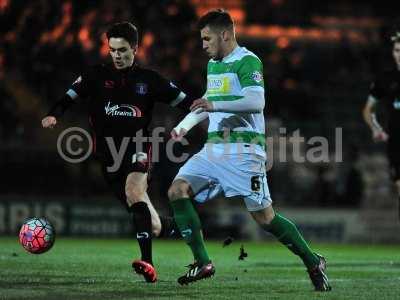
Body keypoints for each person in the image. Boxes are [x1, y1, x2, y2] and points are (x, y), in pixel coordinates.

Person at [167, 9, 332, 291]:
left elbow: (256, 101)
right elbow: (208, 100)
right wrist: (183, 126)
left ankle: (312, 260)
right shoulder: (213, 65)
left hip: (244, 149)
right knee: (177, 190)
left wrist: (214, 105)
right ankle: (203, 261)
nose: (203, 45)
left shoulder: (247, 60)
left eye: (207, 39)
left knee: (264, 218)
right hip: (213, 148)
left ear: (226, 35)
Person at [41, 22, 194, 283]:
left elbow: (188, 103)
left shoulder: (150, 80)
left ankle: (148, 263)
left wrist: (198, 116)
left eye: (122, 50)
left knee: (134, 189)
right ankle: (181, 227)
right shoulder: (94, 76)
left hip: (138, 147)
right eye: (112, 50)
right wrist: (54, 115)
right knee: (152, 225)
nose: (117, 55)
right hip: (107, 157)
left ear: (135, 48)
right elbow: (68, 97)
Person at [362, 30, 400, 218]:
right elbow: (368, 110)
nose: (398, 55)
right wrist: (376, 128)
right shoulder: (386, 79)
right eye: (397, 50)